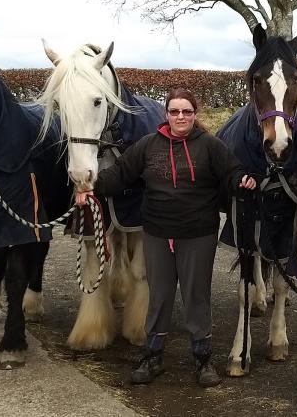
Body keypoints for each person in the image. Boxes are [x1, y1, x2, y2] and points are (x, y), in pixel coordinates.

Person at [76, 87, 256, 387]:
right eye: (175, 111)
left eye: (186, 111)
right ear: (167, 115)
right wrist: (90, 188)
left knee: (196, 296)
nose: (181, 116)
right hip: (158, 234)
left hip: (198, 235)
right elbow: (120, 173)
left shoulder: (210, 146)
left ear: (194, 114)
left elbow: (232, 173)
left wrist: (243, 181)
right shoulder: (148, 145)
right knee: (158, 296)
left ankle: (202, 359)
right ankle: (153, 356)